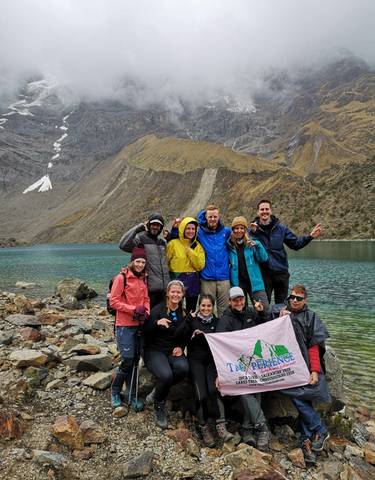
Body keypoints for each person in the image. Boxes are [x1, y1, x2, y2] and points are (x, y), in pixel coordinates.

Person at [271, 284, 330, 465]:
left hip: (304, 366)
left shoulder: (311, 317)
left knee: (304, 396)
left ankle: (307, 442)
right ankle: (319, 429)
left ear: (305, 300)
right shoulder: (278, 312)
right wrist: (279, 321)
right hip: (285, 365)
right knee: (296, 394)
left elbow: (314, 346)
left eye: (299, 298)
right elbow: (265, 333)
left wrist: (314, 371)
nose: (294, 300)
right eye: (292, 297)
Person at [216, 287, 270, 451]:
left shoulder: (251, 314)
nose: (239, 302)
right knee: (245, 388)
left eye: (241, 299)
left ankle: (247, 428)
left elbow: (265, 330)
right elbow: (219, 346)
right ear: (230, 302)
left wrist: (261, 314)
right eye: (235, 300)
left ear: (244, 300)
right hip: (235, 364)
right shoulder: (225, 320)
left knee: (257, 386)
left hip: (253, 362)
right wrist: (220, 372)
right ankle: (262, 427)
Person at [176, 294, 233, 446]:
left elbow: (226, 340)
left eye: (209, 306)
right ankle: (204, 427)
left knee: (214, 390)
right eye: (203, 306)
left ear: (213, 307)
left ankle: (221, 425)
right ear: (198, 306)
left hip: (212, 362)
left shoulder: (218, 322)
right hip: (196, 361)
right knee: (201, 393)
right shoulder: (193, 321)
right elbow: (178, 334)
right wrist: (188, 320)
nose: (206, 308)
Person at [250, 199, 322, 304]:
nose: (264, 211)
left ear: (271, 211)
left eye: (267, 209)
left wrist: (310, 237)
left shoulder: (281, 229)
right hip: (263, 274)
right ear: (258, 212)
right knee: (264, 307)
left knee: (282, 306)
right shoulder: (253, 230)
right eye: (262, 209)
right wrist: (253, 233)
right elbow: (245, 244)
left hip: (281, 273)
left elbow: (295, 244)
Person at [143, 280, 189, 429]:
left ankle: (157, 391)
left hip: (172, 350)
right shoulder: (157, 310)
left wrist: (181, 347)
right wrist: (156, 323)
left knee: (183, 368)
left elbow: (185, 334)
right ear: (168, 293)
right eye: (173, 291)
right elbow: (144, 332)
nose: (175, 294)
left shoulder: (183, 312)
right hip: (154, 350)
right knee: (166, 375)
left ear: (182, 295)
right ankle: (159, 404)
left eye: (178, 292)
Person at [110, 247, 150, 409]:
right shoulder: (121, 278)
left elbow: (146, 298)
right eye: (138, 261)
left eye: (143, 262)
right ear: (132, 262)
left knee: (134, 360)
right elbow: (114, 301)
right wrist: (133, 309)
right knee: (127, 359)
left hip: (139, 324)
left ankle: (131, 395)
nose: (140, 265)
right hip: (124, 325)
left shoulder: (143, 278)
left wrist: (146, 311)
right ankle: (115, 391)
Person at [119, 213, 170, 308]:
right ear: (148, 225)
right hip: (149, 290)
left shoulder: (162, 243)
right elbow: (123, 245)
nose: (155, 227)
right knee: (148, 318)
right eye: (153, 224)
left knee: (162, 318)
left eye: (158, 225)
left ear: (161, 227)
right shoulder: (141, 240)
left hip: (164, 290)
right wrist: (138, 229)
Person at [196, 205, 232, 317]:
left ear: (219, 217)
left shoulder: (226, 231)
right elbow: (185, 236)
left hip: (224, 277)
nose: (212, 219)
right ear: (205, 217)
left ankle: (223, 331)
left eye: (215, 216)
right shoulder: (200, 233)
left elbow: (241, 235)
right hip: (207, 277)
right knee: (206, 308)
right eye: (210, 216)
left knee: (225, 309)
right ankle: (207, 331)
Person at [227, 216, 269, 310]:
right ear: (233, 230)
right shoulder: (229, 245)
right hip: (238, 285)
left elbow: (263, 258)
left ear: (245, 230)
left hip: (255, 283)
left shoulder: (252, 243)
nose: (239, 231)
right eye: (236, 228)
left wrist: (258, 245)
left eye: (242, 228)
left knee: (264, 309)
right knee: (240, 311)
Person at [166, 217, 205, 313]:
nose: (190, 231)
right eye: (188, 228)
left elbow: (200, 266)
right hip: (176, 278)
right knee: (175, 306)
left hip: (193, 280)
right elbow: (165, 262)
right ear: (182, 229)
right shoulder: (173, 244)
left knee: (191, 309)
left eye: (193, 229)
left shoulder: (198, 246)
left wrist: (189, 251)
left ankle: (189, 326)